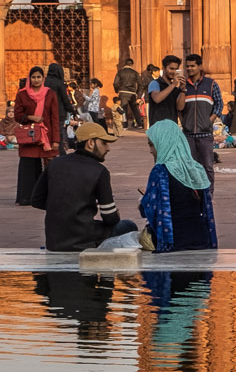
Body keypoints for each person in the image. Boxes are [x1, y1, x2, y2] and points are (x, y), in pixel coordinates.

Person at [31, 119, 140, 251]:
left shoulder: (55, 163)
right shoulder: (99, 171)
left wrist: (63, 208)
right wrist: (115, 215)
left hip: (54, 241)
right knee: (128, 226)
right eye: (104, 143)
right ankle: (109, 268)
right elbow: (110, 218)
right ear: (90, 143)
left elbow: (37, 200)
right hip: (83, 240)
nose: (108, 148)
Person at [141, 119, 218, 252]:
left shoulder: (160, 171)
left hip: (175, 241)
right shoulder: (197, 169)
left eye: (152, 145)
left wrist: (143, 201)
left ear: (164, 143)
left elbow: (149, 210)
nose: (151, 151)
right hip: (201, 238)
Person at [11, 64, 63, 206]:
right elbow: (17, 115)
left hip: (47, 136)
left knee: (49, 168)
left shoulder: (50, 93)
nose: (36, 80)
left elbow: (55, 118)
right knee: (28, 165)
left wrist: (56, 140)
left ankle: (47, 196)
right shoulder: (22, 94)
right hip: (30, 135)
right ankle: (26, 197)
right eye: (33, 77)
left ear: (43, 78)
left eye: (38, 77)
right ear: (29, 78)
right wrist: (31, 117)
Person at [145, 54, 184, 127]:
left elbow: (180, 108)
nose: (174, 72)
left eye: (176, 69)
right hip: (157, 128)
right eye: (171, 69)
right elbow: (157, 99)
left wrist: (183, 90)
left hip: (172, 127)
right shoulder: (155, 83)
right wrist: (173, 85)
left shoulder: (175, 88)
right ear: (164, 68)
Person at [114, 56, 145, 131]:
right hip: (132, 93)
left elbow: (115, 83)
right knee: (135, 109)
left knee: (123, 109)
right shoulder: (135, 73)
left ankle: (125, 125)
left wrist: (117, 90)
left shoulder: (120, 72)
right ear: (132, 64)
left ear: (125, 64)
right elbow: (141, 85)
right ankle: (140, 124)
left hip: (123, 92)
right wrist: (139, 95)